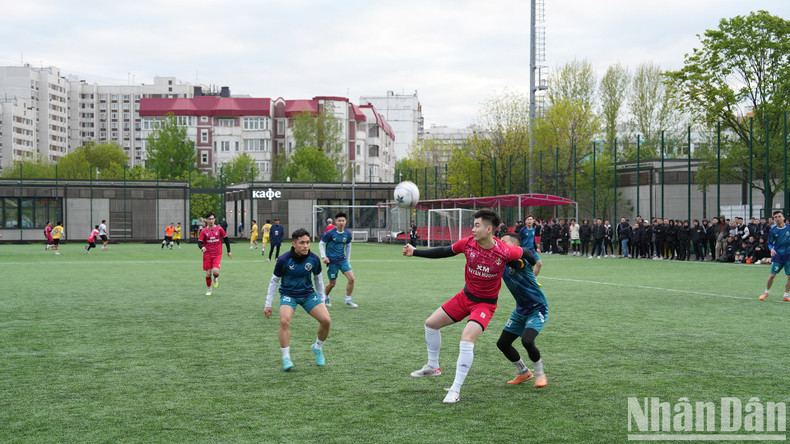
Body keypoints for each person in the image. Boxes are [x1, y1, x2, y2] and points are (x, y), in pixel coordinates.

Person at [403, 209, 536, 404]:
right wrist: (415, 252)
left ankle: (455, 390)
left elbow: (525, 252)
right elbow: (445, 251)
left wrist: (534, 265)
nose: (472, 229)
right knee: (430, 324)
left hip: (485, 305)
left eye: (476, 225)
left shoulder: (504, 250)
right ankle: (433, 366)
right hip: (465, 297)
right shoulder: (467, 244)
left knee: (466, 340)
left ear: (489, 229)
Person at [264, 228, 331, 371]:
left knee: (326, 320)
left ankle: (317, 348)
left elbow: (318, 280)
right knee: (284, 321)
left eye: (307, 242)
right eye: (302, 243)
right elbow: (274, 281)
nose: (306, 246)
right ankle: (286, 357)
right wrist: (268, 304)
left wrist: (322, 299)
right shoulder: (283, 260)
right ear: (294, 244)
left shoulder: (313, 259)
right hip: (289, 295)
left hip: (308, 294)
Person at [496, 232, 548, 388]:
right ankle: (524, 372)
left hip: (537, 307)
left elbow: (516, 263)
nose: (501, 244)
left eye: (504, 242)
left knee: (527, 340)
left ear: (515, 247)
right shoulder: (501, 263)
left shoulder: (520, 260)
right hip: (520, 310)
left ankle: (540, 374)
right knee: (503, 344)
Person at [319, 213, 357, 308]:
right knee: (332, 284)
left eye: (343, 221)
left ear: (345, 222)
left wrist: (348, 259)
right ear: (335, 222)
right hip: (332, 262)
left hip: (342, 260)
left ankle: (348, 299)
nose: (341, 222)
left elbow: (348, 245)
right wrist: (324, 257)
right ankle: (326, 296)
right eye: (339, 221)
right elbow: (321, 244)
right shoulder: (330, 233)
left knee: (352, 279)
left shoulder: (347, 234)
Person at [198, 212, 232, 296]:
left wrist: (228, 251)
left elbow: (226, 239)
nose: (211, 221)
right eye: (209, 219)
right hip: (207, 254)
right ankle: (209, 289)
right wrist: (202, 247)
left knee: (216, 272)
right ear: (206, 220)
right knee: (208, 273)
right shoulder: (204, 231)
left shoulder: (219, 229)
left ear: (214, 220)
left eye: (212, 219)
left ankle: (215, 278)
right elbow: (199, 242)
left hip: (217, 253)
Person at [759, 211, 790, 301]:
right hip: (778, 256)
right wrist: (771, 249)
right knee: (772, 275)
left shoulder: (789, 228)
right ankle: (766, 292)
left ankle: (786, 295)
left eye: (779, 216)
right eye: (775, 217)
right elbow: (769, 243)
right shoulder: (773, 231)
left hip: (789, 256)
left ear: (783, 218)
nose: (778, 219)